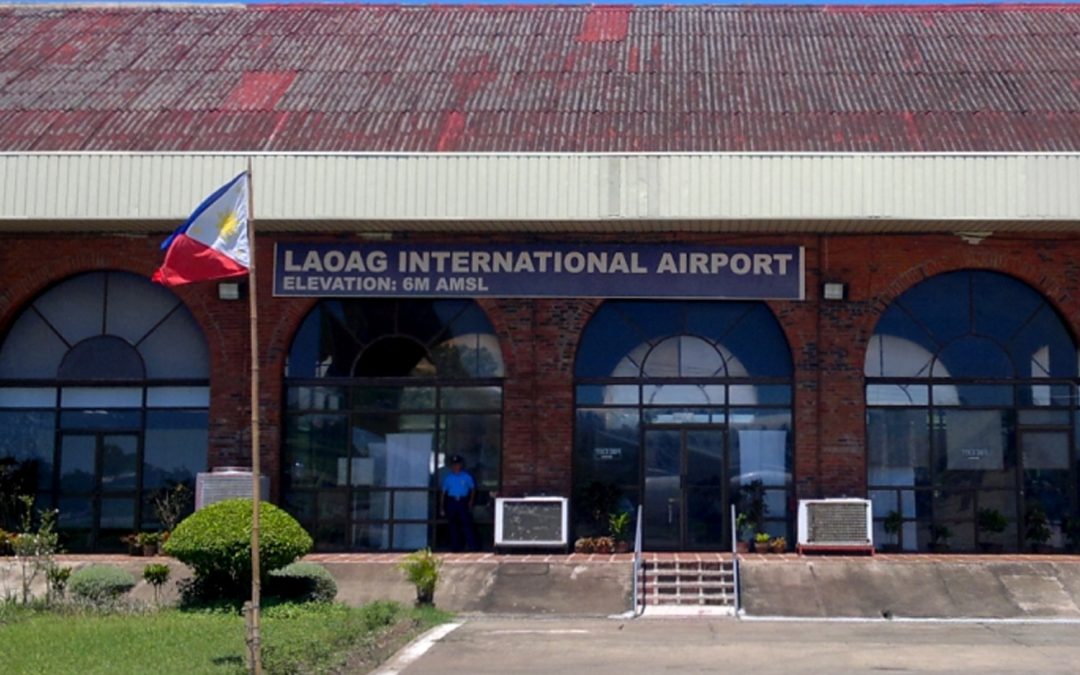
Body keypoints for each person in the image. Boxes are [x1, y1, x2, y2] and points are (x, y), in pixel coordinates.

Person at [440, 454, 478, 551]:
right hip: (452, 501)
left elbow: (472, 489)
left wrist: (471, 501)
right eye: (454, 464)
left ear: (460, 465)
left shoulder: (466, 477)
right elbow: (444, 493)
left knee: (466, 525)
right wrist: (442, 507)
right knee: (453, 526)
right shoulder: (448, 478)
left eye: (457, 464)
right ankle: (455, 547)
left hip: (463, 501)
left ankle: (471, 546)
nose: (455, 466)